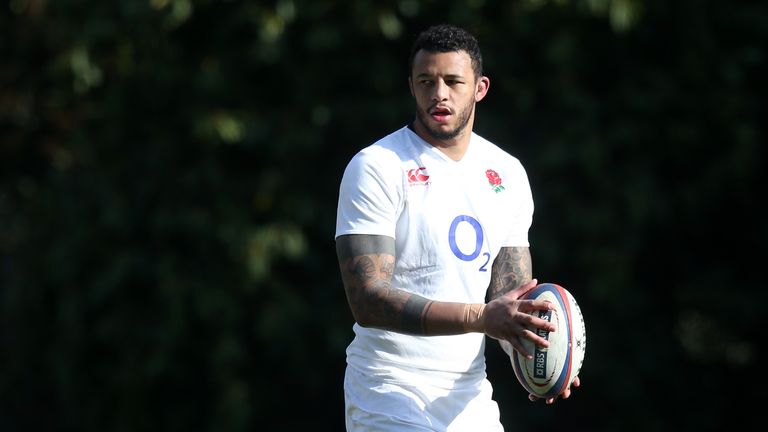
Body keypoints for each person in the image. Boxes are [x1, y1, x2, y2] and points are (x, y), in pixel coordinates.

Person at [334, 24, 579, 431]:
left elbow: (509, 299)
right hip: (387, 391)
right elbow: (368, 300)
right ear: (411, 86)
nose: (439, 94)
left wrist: (541, 354)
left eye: (453, 81)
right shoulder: (377, 166)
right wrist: (483, 317)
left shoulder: (507, 173)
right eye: (426, 81)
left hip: (467, 397)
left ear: (480, 88)